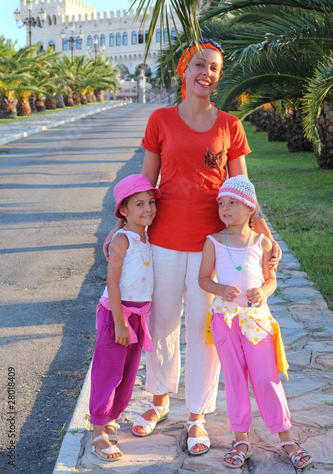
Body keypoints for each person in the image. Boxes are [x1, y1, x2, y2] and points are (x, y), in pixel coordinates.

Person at [103, 38, 282, 456]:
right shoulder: (160, 120)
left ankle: (198, 414)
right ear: (185, 70)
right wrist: (122, 228)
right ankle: (161, 401)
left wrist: (264, 233)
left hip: (213, 248)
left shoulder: (230, 126)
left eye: (215, 67)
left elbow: (243, 189)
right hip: (163, 241)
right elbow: (143, 185)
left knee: (205, 334)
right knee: (163, 326)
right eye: (200, 64)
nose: (208, 73)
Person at [198, 175, 313, 469]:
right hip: (226, 321)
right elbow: (203, 280)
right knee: (234, 378)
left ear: (250, 208)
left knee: (265, 377)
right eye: (221, 203)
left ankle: (285, 437)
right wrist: (220, 289)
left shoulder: (262, 243)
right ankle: (241, 439)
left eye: (232, 203)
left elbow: (271, 279)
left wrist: (263, 290)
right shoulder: (213, 242)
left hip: (256, 321)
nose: (224, 208)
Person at [89, 174, 160, 462]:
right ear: (124, 211)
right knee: (109, 372)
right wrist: (119, 322)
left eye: (151, 202)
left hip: (138, 316)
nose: (148, 209)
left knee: (128, 373)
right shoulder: (123, 239)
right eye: (139, 204)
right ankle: (97, 430)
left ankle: (111, 419)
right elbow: (113, 282)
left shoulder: (147, 235)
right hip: (116, 315)